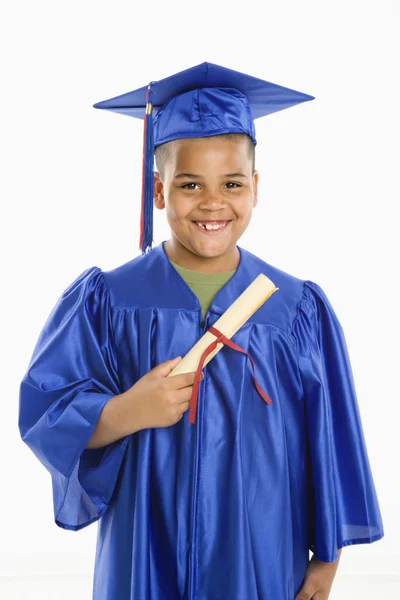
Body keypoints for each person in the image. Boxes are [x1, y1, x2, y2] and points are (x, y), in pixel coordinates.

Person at [18, 62, 384, 599]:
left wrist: (326, 559)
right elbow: (46, 411)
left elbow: (329, 438)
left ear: (255, 188)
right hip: (145, 547)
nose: (213, 203)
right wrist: (124, 411)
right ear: (159, 191)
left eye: (232, 183)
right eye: (189, 185)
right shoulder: (108, 301)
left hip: (261, 547)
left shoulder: (296, 309)